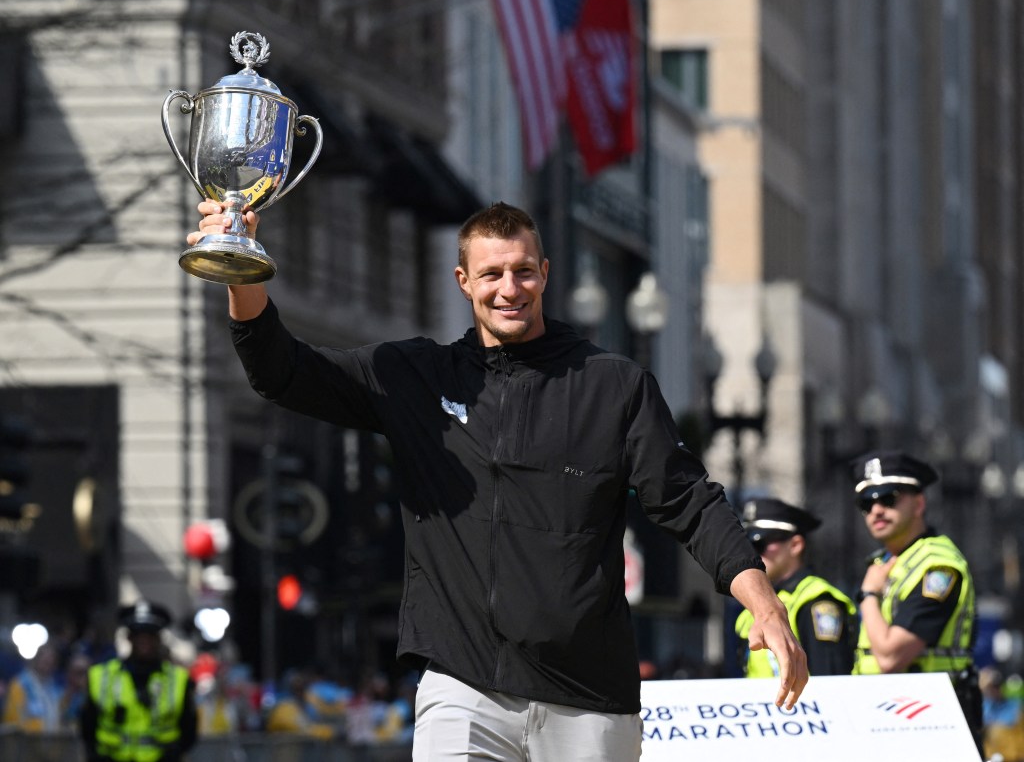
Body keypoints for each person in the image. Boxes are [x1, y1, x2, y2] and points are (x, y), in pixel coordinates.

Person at [188, 199, 808, 761]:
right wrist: (239, 266)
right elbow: (281, 371)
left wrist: (765, 603)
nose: (509, 289)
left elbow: (689, 501)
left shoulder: (613, 385)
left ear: (545, 273)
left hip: (588, 695)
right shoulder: (417, 376)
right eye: (491, 274)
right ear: (464, 282)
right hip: (465, 687)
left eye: (523, 272)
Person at [851, 449, 982, 754]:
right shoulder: (889, 563)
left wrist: (868, 595)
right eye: (866, 503)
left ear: (920, 503)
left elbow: (891, 657)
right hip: (889, 718)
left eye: (889, 498)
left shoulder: (938, 567)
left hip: (930, 721)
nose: (877, 510)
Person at [735, 497, 856, 677]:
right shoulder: (757, 603)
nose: (754, 554)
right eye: (748, 547)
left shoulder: (817, 601)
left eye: (759, 544)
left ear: (795, 545)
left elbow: (830, 681)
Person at [79, 601, 197, 762]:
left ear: (158, 639)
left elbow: (189, 730)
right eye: (138, 635)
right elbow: (87, 727)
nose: (144, 641)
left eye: (149, 635)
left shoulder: (178, 679)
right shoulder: (101, 675)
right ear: (129, 637)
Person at [1, 641, 63, 732]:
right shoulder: (21, 684)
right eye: (44, 659)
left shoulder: (54, 689)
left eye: (50, 660)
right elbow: (12, 719)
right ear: (36, 660)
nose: (47, 663)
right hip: (27, 742)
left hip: (50, 741)